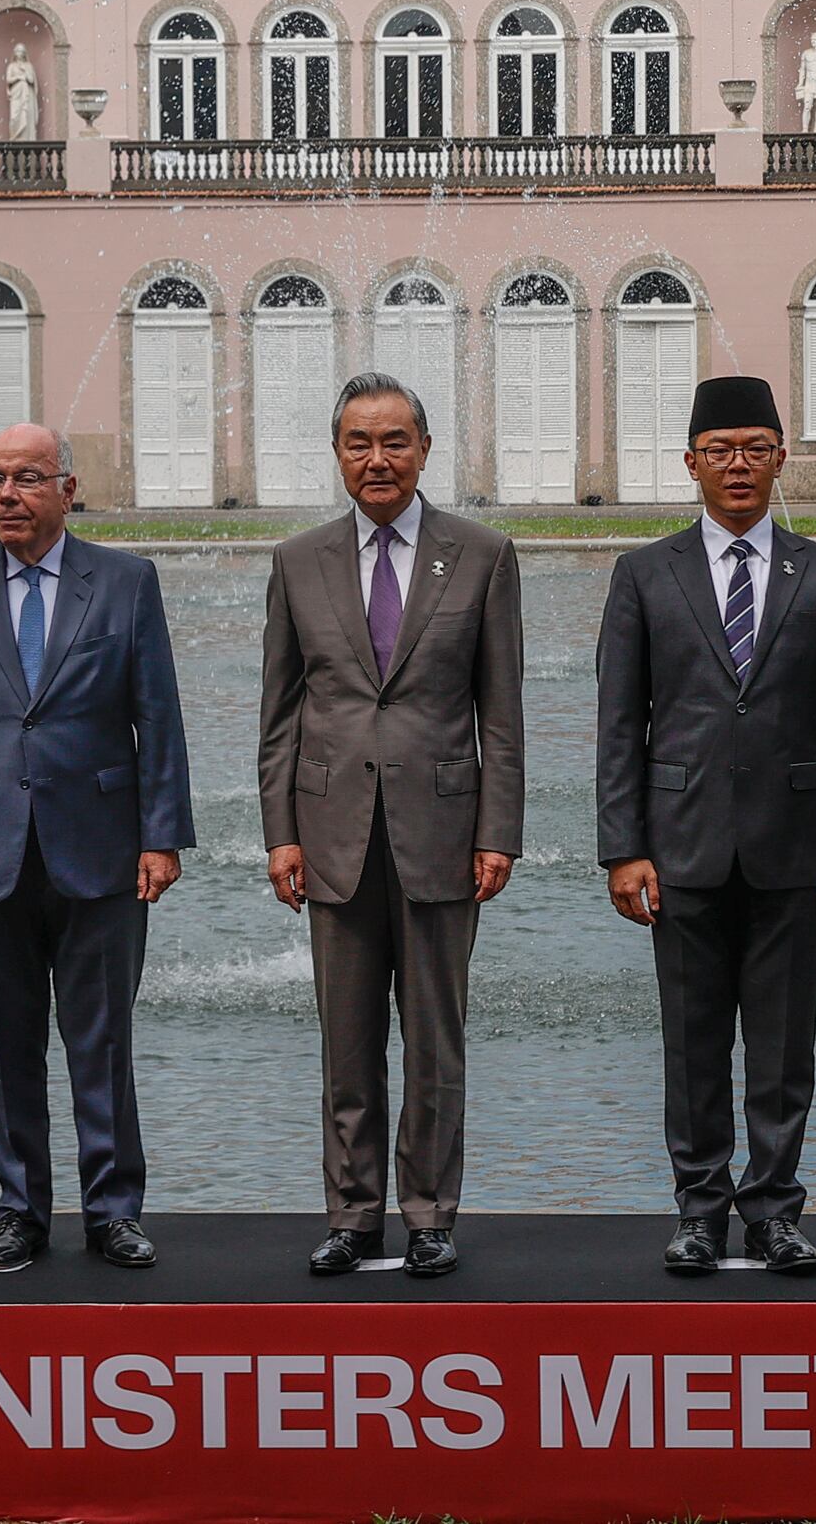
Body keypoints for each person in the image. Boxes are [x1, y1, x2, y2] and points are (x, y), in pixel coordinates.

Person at [594, 374, 816, 1276]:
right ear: (690, 462)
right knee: (692, 1043)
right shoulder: (645, 575)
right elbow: (619, 724)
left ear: (780, 457)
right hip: (679, 848)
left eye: (756, 448)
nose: (738, 464)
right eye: (720, 450)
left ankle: (774, 1210)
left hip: (795, 849)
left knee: (784, 1044)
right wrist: (623, 847)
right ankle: (699, 1209)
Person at [0, 421, 193, 1272]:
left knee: (102, 1042)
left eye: (27, 478)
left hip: (100, 849)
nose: (7, 495)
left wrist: (162, 836)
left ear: (68, 489)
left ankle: (113, 1212)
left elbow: (158, 716)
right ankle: (20, 1211)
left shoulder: (125, 582)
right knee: (6, 1042)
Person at [257, 373, 524, 1279]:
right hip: (331, 835)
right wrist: (281, 833)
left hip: (442, 833)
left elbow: (502, 713)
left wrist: (498, 831)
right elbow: (280, 715)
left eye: (395, 441)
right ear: (338, 453)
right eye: (360, 443)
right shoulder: (298, 560)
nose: (378, 459)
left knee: (434, 1040)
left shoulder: (482, 555)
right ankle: (353, 1213)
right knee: (347, 1043)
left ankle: (430, 1213)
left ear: (425, 449)